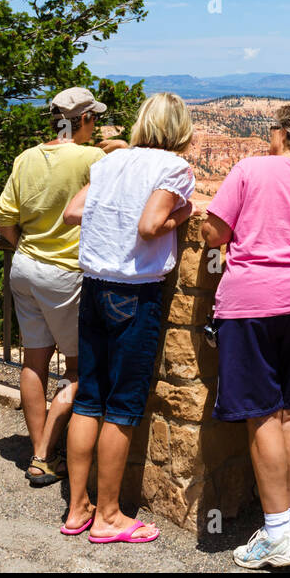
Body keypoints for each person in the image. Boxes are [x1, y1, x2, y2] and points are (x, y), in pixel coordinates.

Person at [200, 100, 290, 568]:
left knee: (261, 414)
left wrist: (203, 221)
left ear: (281, 132)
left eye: (271, 129)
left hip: (252, 305)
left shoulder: (249, 170)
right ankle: (289, 522)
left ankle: (277, 533)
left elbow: (214, 233)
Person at [59, 93, 195, 542]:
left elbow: (73, 211)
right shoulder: (173, 169)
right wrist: (182, 214)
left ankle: (78, 509)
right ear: (180, 129)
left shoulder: (109, 162)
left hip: (94, 288)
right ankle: (110, 516)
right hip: (135, 294)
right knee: (120, 406)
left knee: (88, 400)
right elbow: (149, 226)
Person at [0, 87, 106, 486]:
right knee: (78, 369)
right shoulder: (92, 158)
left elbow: (6, 216)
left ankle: (38, 446)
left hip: (25, 267)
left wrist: (24, 246)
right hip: (67, 273)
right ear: (85, 120)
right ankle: (45, 455)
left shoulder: (26, 157)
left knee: (33, 362)